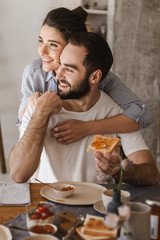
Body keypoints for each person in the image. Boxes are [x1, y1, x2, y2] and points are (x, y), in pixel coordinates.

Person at [9, 32, 160, 185]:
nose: (57, 75)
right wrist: (41, 113)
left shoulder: (117, 114)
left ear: (95, 77)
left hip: (96, 206)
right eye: (60, 64)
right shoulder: (39, 106)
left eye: (69, 69)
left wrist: (121, 171)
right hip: (46, 205)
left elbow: (152, 175)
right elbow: (18, 174)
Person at [17, 6, 153, 145]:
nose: (42, 51)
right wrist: (31, 106)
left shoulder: (98, 77)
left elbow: (143, 114)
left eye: (53, 45)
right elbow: (22, 125)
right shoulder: (34, 73)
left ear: (73, 46)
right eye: (41, 41)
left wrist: (86, 128)